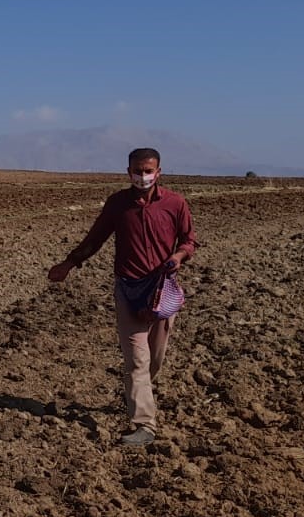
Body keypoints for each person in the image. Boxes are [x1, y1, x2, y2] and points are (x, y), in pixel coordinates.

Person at [47, 147, 198, 446]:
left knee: (155, 359)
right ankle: (144, 424)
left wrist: (180, 256)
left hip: (161, 290)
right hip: (128, 290)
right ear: (128, 172)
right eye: (138, 171)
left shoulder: (175, 204)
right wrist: (69, 264)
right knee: (137, 361)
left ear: (159, 172)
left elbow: (189, 240)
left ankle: (137, 392)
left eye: (148, 170)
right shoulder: (117, 205)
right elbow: (96, 239)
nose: (143, 176)